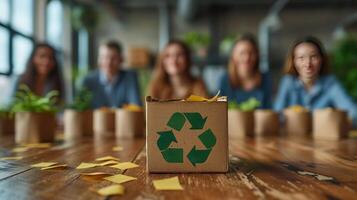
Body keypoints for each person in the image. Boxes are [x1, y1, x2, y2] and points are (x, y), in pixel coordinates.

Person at [274, 36, 357, 127]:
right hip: (292, 137)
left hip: (323, 138)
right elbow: (276, 115)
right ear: (293, 61)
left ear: (321, 59)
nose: (308, 64)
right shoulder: (288, 82)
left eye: (313, 57)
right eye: (301, 58)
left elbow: (353, 114)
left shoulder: (330, 83)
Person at [82, 40, 141, 108]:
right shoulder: (88, 81)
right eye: (104, 57)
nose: (108, 62)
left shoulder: (130, 78)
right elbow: (81, 109)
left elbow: (136, 106)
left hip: (123, 118)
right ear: (99, 59)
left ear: (121, 59)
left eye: (113, 58)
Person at [219, 34, 272, 108]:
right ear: (233, 56)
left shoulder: (266, 79)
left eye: (251, 53)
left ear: (257, 55)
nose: (247, 58)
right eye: (242, 53)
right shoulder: (225, 80)